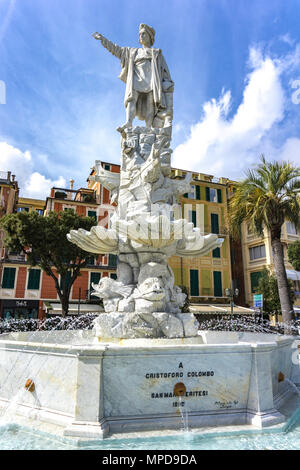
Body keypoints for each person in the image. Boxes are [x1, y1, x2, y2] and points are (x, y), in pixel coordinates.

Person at [93, 24, 174, 130]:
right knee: (131, 99)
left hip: (152, 80)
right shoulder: (132, 52)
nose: (141, 36)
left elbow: (164, 71)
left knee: (151, 102)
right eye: (140, 34)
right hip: (136, 78)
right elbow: (115, 49)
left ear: (150, 37)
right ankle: (128, 122)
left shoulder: (156, 53)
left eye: (144, 34)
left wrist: (167, 83)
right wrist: (102, 39)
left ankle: (149, 127)